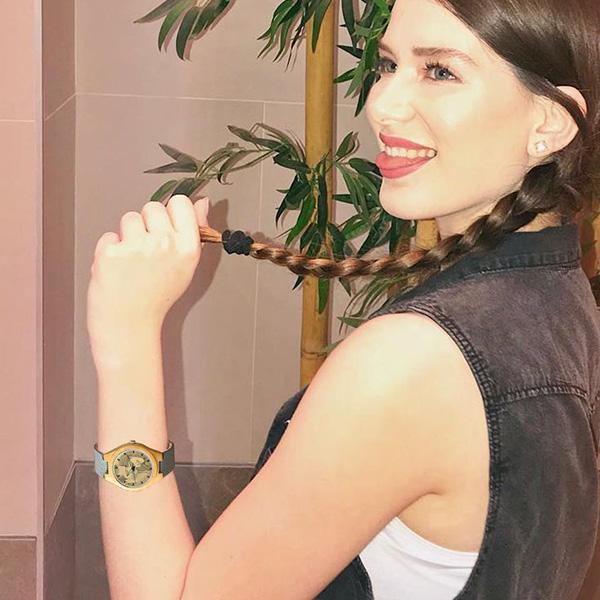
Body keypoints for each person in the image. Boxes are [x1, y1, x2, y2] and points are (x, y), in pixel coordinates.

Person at [87, 0, 599, 598]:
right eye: (387, 64)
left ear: (549, 124)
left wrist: (125, 341)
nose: (381, 104)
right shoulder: (560, 292)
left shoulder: (413, 361)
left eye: (440, 71)